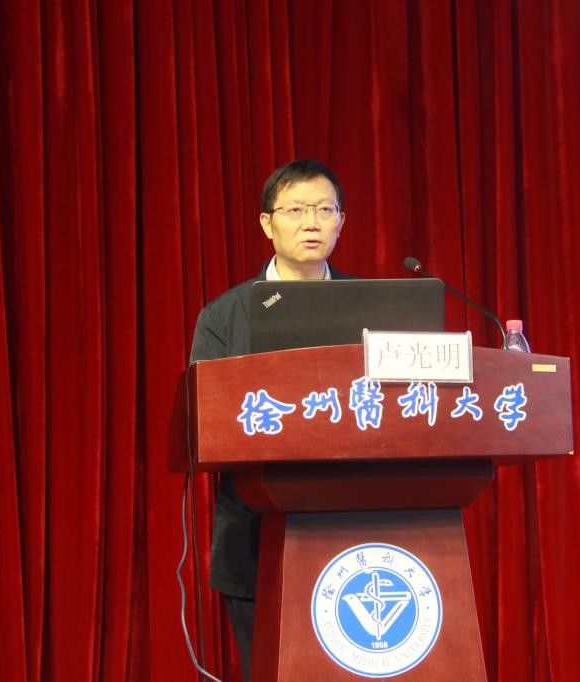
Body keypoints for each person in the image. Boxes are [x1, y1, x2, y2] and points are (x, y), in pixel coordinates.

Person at [189, 159, 353, 679]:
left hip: (357, 527)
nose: (312, 223)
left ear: (341, 221)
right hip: (256, 534)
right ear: (267, 223)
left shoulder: (373, 306)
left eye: (324, 210)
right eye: (296, 210)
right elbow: (206, 421)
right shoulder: (224, 316)